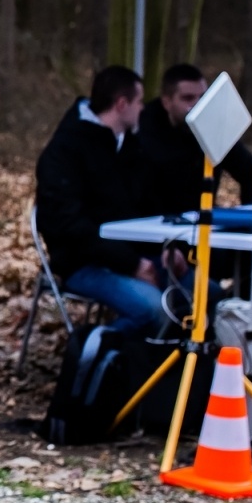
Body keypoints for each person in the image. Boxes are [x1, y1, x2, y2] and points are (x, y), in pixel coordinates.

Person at [36, 66, 164, 335]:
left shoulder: (130, 146)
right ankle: (96, 358)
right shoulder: (64, 153)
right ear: (121, 104)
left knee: (202, 295)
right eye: (139, 101)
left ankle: (169, 370)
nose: (143, 109)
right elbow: (71, 228)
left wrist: (166, 249)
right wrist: (133, 265)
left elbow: (147, 205)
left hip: (133, 255)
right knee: (154, 310)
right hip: (82, 263)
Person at [139, 63, 252, 217]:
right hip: (149, 224)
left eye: (202, 97)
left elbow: (250, 170)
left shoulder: (212, 126)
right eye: (187, 98)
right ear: (167, 102)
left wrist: (248, 220)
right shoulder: (142, 127)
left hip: (201, 222)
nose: (197, 104)